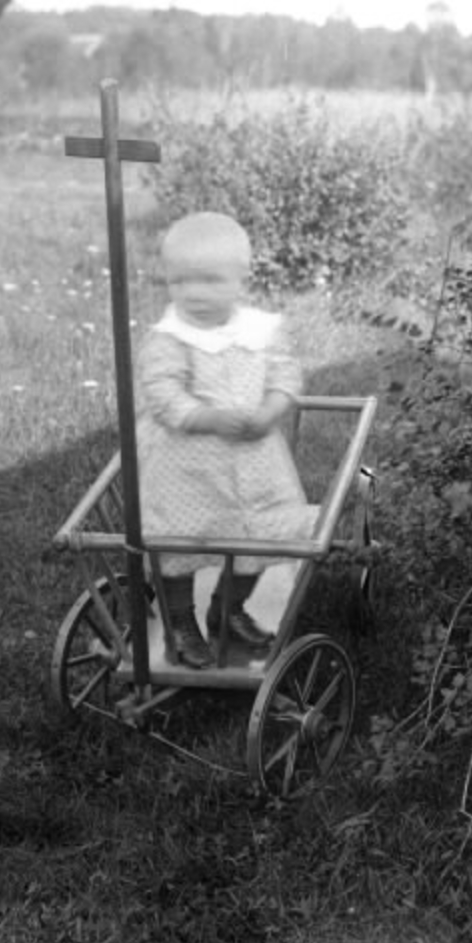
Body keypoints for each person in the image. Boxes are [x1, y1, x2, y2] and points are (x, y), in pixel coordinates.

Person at [136, 211, 317, 668]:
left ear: (242, 279)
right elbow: (162, 395)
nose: (193, 293)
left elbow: (285, 376)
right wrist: (210, 418)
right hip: (185, 470)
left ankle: (228, 608)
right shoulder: (169, 339)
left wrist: (269, 411)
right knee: (176, 544)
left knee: (258, 536)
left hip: (255, 464)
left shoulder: (260, 331)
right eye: (180, 281)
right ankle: (181, 622)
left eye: (210, 280)